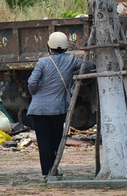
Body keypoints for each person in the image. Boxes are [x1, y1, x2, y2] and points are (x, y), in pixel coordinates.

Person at [27, 31, 94, 180]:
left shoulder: (42, 62)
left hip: (39, 109)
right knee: (56, 140)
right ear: (65, 47)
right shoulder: (71, 60)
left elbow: (32, 83)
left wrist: (36, 94)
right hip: (58, 108)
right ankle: (54, 169)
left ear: (49, 46)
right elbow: (89, 66)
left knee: (44, 141)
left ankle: (47, 173)